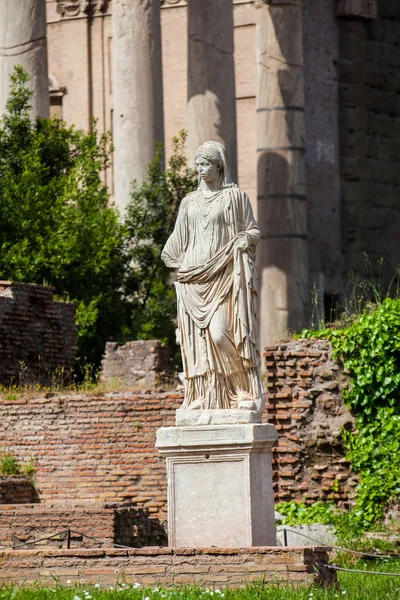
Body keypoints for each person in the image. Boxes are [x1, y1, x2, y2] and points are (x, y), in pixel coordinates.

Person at [161, 141, 264, 413]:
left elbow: (253, 231)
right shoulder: (188, 202)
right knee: (197, 342)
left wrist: (244, 239)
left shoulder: (235, 198)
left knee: (220, 334)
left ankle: (242, 388)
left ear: (219, 166)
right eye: (198, 165)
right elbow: (175, 243)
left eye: (206, 164)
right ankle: (201, 395)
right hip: (193, 279)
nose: (201, 169)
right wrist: (179, 264)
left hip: (223, 274)